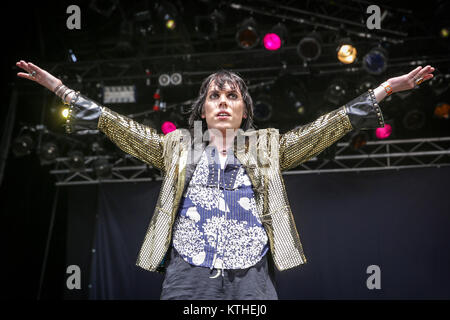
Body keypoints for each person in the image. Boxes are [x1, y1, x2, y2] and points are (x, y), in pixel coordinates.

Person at [16, 60, 434, 299]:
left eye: (231, 96)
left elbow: (328, 127)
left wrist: (383, 91)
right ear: (202, 109)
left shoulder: (269, 146)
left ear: (244, 111)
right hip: (188, 274)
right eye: (214, 95)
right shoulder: (176, 146)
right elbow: (116, 125)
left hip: (251, 276)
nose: (222, 102)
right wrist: (63, 92)